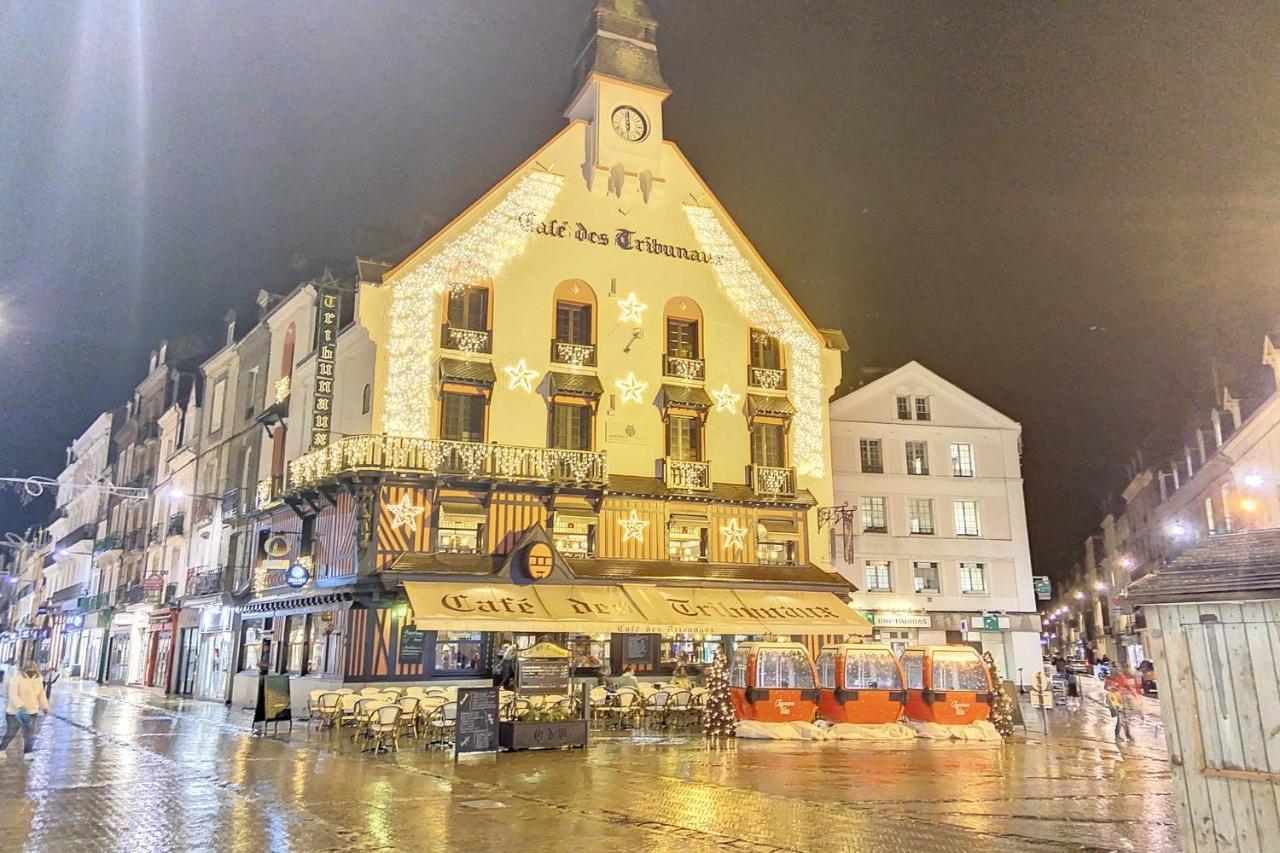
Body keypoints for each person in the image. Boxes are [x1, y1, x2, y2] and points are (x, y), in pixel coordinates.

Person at [0, 661, 50, 761]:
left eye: (32, 669)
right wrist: (20, 706)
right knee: (11, 732)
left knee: (29, 733)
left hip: (32, 711)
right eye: (29, 669)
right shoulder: (16, 679)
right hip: (15, 712)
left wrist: (45, 706)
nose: (31, 671)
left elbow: (41, 695)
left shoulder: (38, 680)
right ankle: (2, 749)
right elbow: (13, 694)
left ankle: (28, 752)